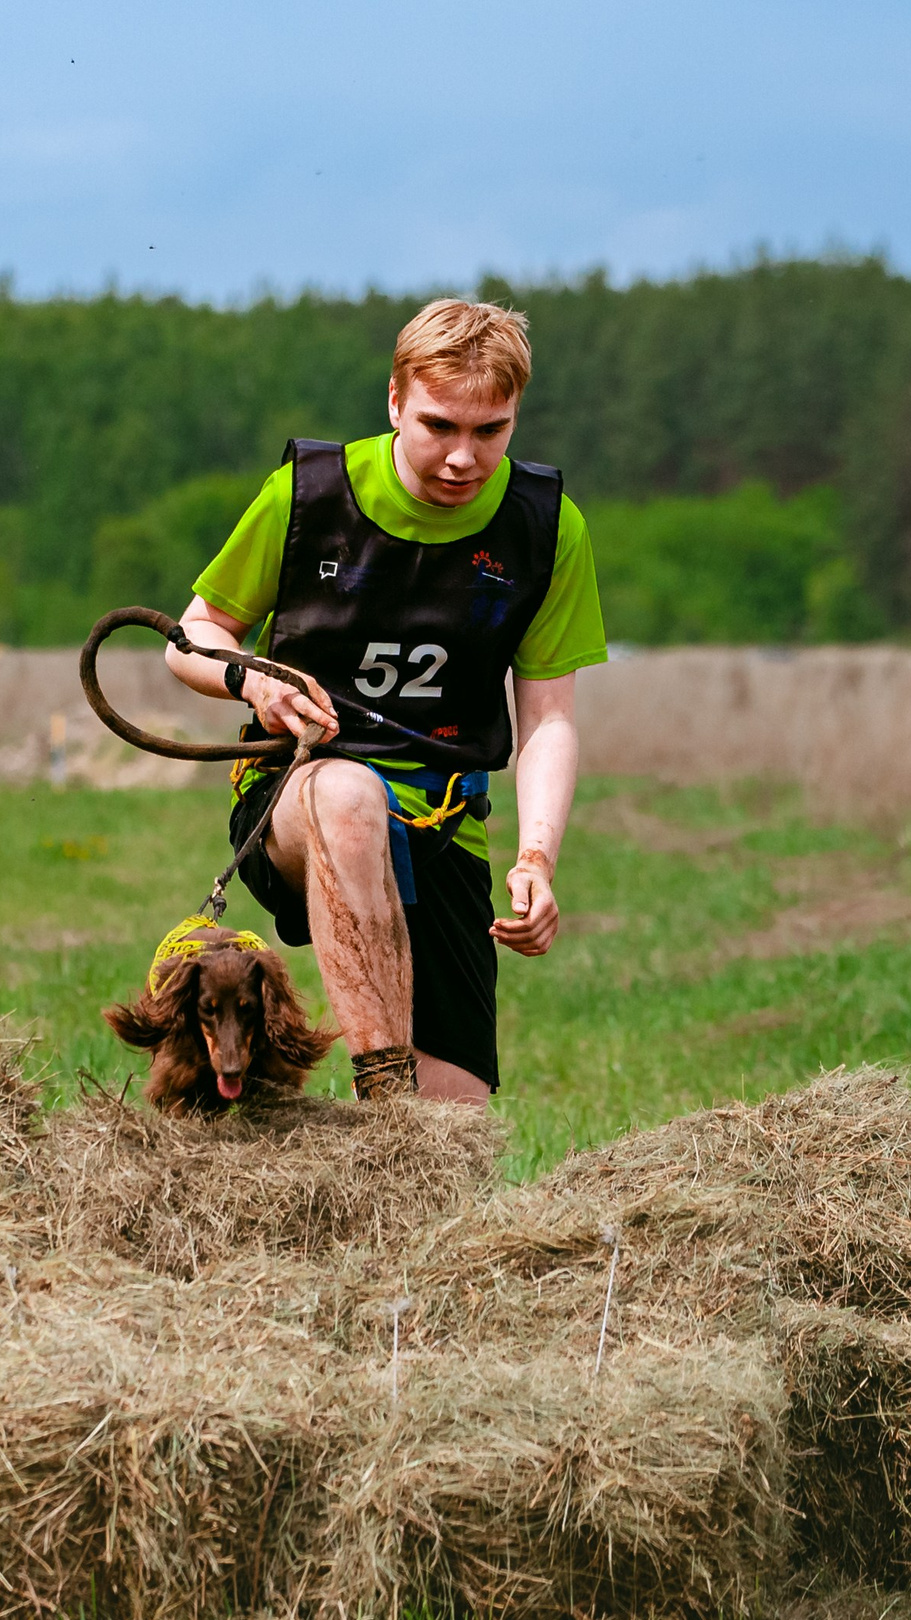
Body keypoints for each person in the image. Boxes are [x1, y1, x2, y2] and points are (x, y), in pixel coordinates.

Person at [161, 299, 605, 1104]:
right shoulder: (308, 496)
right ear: (395, 402)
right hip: (295, 800)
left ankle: (416, 1137)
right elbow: (192, 635)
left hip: (441, 822)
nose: (463, 458)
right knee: (349, 793)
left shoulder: (547, 528)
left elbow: (548, 717)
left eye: (490, 431)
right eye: (439, 426)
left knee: (460, 1140)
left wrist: (537, 858)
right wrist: (253, 679)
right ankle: (386, 1106)